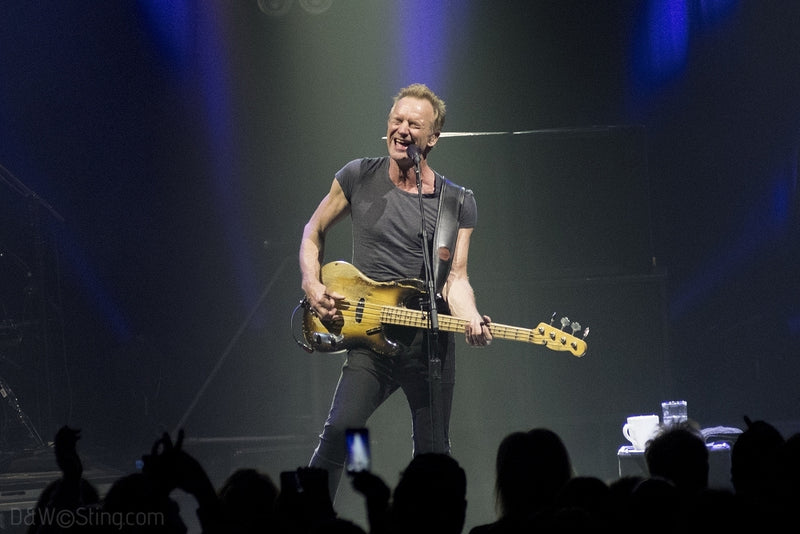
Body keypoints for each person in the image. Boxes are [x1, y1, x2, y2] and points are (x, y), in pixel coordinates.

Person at [299, 83, 492, 499]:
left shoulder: (456, 202)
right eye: (396, 120)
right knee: (342, 430)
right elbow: (313, 231)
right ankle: (307, 514)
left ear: (433, 138)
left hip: (429, 341)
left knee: (433, 452)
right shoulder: (356, 176)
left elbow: (456, 278)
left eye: (414, 124)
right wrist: (312, 283)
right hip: (369, 334)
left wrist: (470, 316)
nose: (402, 129)